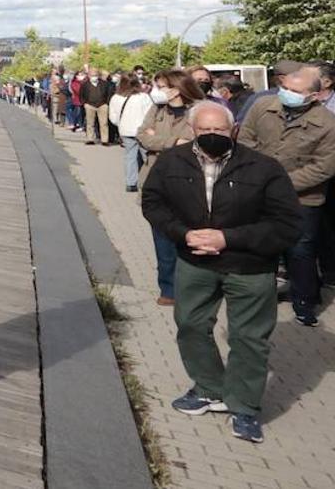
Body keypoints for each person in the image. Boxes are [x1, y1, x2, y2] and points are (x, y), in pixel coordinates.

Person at [142, 101, 302, 444]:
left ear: (234, 131)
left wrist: (227, 238)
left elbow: (287, 225)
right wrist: (182, 233)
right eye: (204, 130)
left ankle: (244, 406)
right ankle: (209, 388)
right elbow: (153, 203)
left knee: (248, 339)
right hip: (195, 262)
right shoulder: (172, 162)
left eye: (219, 130)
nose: (212, 136)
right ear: (192, 131)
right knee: (191, 326)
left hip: (249, 267)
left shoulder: (264, 168)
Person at [238, 64, 335, 327]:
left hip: (303, 199)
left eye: (295, 91)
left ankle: (304, 302)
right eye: (285, 88)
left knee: (300, 250)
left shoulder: (327, 123)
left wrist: (282, 183)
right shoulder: (263, 106)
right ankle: (259, 297)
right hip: (260, 193)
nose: (287, 93)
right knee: (261, 245)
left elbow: (324, 166)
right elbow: (245, 140)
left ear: (314, 96)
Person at [138, 69, 205, 305]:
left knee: (187, 239)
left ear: (176, 89)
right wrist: (171, 141)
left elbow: (190, 144)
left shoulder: (199, 111)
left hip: (189, 183)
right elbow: (142, 135)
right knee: (162, 241)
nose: (156, 91)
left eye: (161, 86)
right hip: (156, 182)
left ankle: (193, 288)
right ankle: (168, 290)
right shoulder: (157, 109)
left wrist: (158, 140)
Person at [109, 74, 153, 192]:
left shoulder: (116, 98)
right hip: (142, 131)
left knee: (130, 156)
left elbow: (113, 117)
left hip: (125, 130)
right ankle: (149, 181)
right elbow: (150, 114)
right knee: (147, 157)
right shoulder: (143, 97)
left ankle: (131, 183)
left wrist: (121, 124)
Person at [82, 67, 112, 146]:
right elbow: (81, 95)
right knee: (90, 123)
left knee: (104, 123)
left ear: (98, 75)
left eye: (95, 75)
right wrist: (85, 103)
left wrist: (106, 103)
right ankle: (90, 139)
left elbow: (109, 94)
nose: (94, 77)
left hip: (102, 105)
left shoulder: (104, 84)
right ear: (89, 75)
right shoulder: (85, 84)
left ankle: (104, 140)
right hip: (90, 105)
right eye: (92, 75)